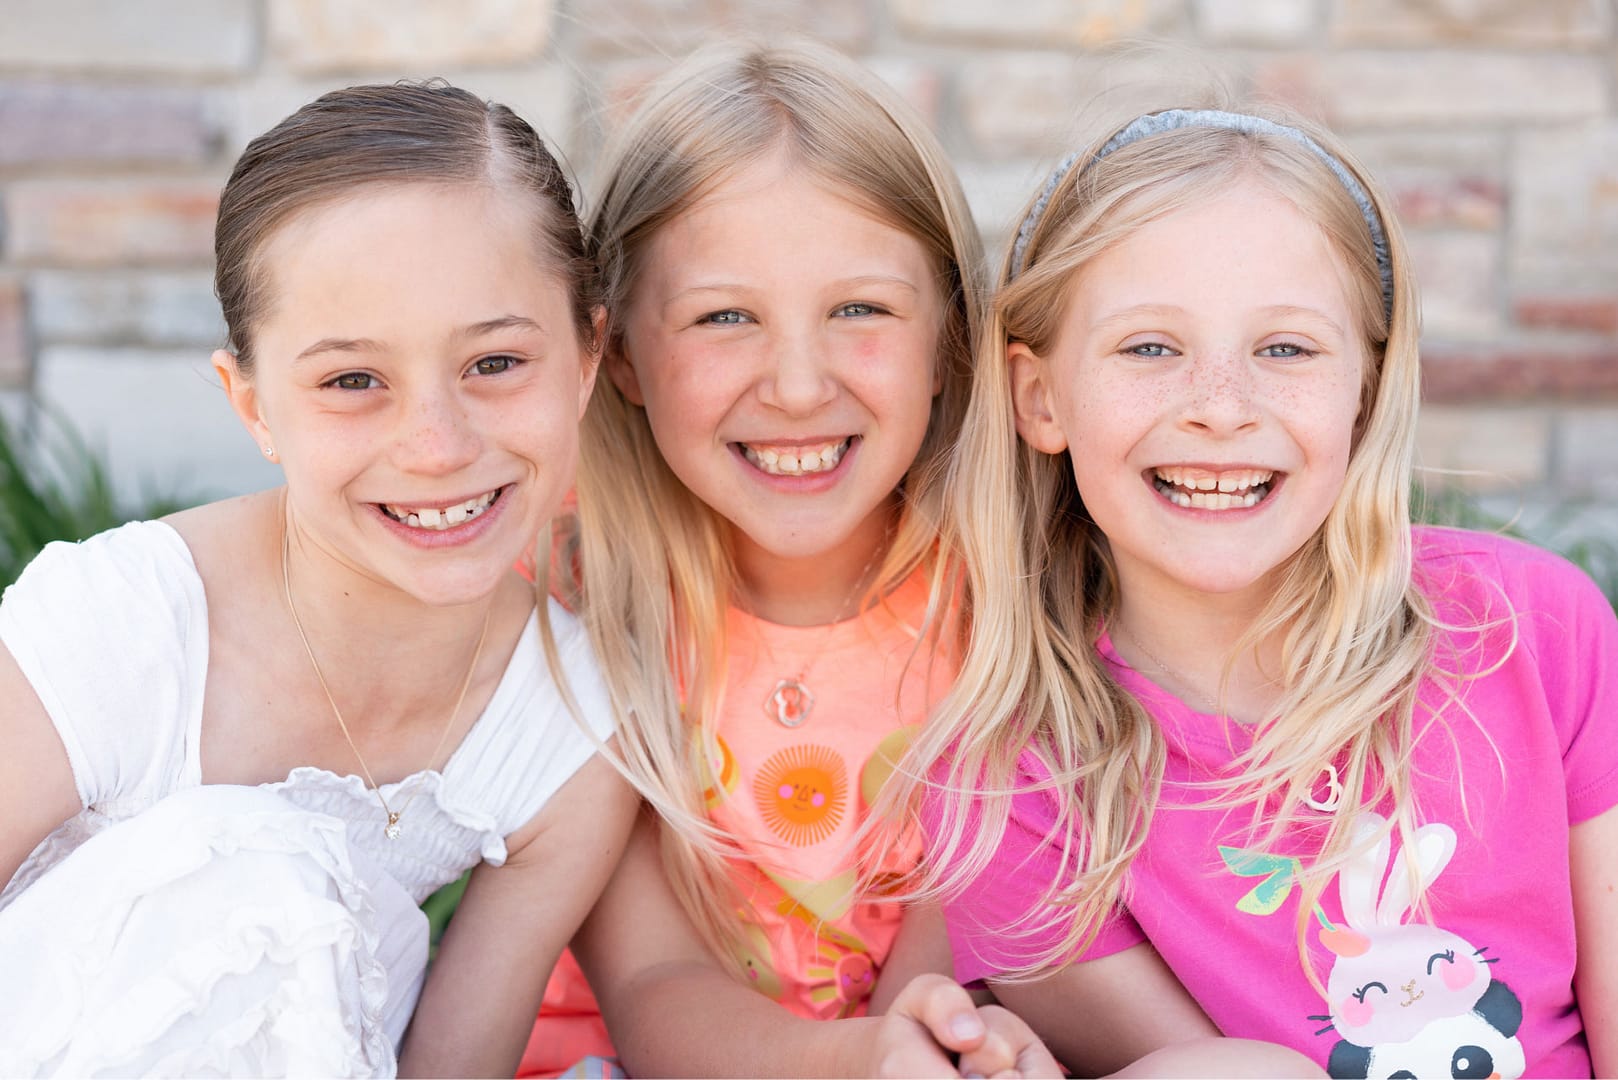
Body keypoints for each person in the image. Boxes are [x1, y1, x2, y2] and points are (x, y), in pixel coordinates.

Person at [915, 103, 1618, 1078]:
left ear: (1363, 391)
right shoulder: (1014, 785)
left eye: (1284, 349)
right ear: (1041, 398)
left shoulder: (1534, 632)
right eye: (1149, 348)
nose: (1218, 408)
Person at [0, 81, 637, 1077]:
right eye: (352, 381)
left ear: (589, 355)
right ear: (251, 405)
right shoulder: (120, 632)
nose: (436, 445)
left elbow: (449, 1065)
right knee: (256, 868)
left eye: (496, 362)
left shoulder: (567, 725)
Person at [514, 39, 1063, 1079]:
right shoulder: (577, 598)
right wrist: (866, 1063)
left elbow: (955, 956)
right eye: (725, 317)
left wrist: (924, 1047)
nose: (800, 386)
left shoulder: (1008, 601)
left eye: (859, 310)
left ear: (949, 338)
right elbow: (649, 984)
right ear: (621, 354)